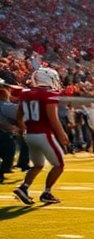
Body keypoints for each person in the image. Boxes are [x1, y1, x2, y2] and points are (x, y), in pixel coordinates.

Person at [13, 67, 69, 205]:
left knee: (38, 165)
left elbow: (19, 114)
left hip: (29, 134)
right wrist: (62, 134)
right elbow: (53, 118)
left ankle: (23, 188)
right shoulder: (49, 94)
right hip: (43, 134)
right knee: (59, 164)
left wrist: (22, 126)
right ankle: (47, 192)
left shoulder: (25, 93)